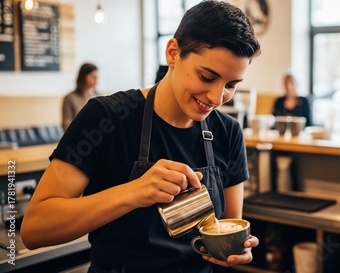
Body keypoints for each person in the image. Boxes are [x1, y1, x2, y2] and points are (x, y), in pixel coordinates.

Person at [21, 1, 261, 272]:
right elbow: (35, 229)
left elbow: (230, 226)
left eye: (230, 85)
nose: (217, 98)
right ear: (173, 53)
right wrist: (133, 192)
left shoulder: (227, 132)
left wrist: (236, 250)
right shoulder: (106, 118)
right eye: (207, 77)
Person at [61, 63, 99, 131]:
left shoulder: (96, 97)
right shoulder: (70, 98)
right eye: (94, 77)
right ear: (84, 77)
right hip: (79, 138)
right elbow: (66, 124)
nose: (96, 81)